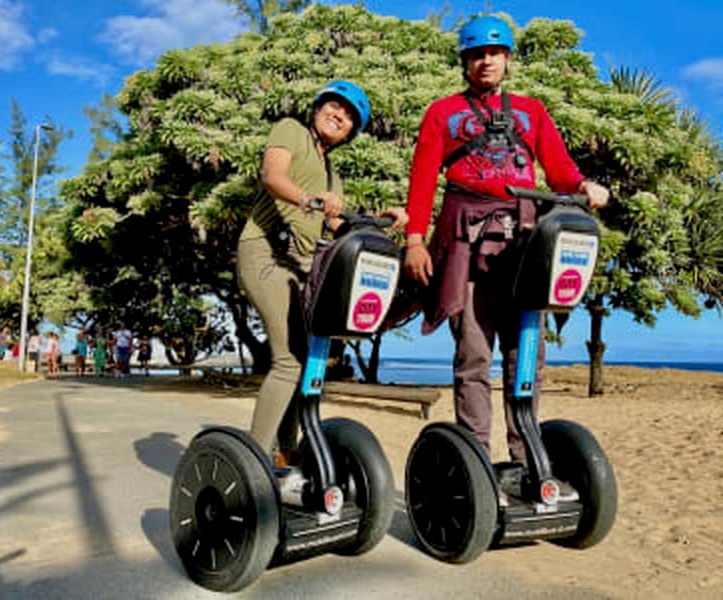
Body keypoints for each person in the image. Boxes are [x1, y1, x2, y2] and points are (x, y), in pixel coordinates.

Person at [403, 16, 609, 468]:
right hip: (464, 239)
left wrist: (584, 187)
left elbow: (559, 171)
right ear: (465, 62)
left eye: (494, 53)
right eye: (477, 54)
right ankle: (476, 461)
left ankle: (524, 460)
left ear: (507, 59)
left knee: (527, 355)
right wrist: (415, 239)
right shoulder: (442, 112)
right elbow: (422, 180)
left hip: (522, 241)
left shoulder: (533, 111)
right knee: (473, 354)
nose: (485, 61)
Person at [237, 80, 408, 467]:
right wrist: (308, 199)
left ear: (350, 132)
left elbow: (338, 226)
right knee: (288, 361)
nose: (339, 115)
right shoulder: (291, 131)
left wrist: (384, 220)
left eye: (348, 116)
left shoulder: (333, 179)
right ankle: (255, 458)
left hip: (300, 266)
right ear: (317, 108)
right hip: (265, 253)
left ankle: (287, 451)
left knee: (303, 357)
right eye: (334, 106)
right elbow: (272, 176)